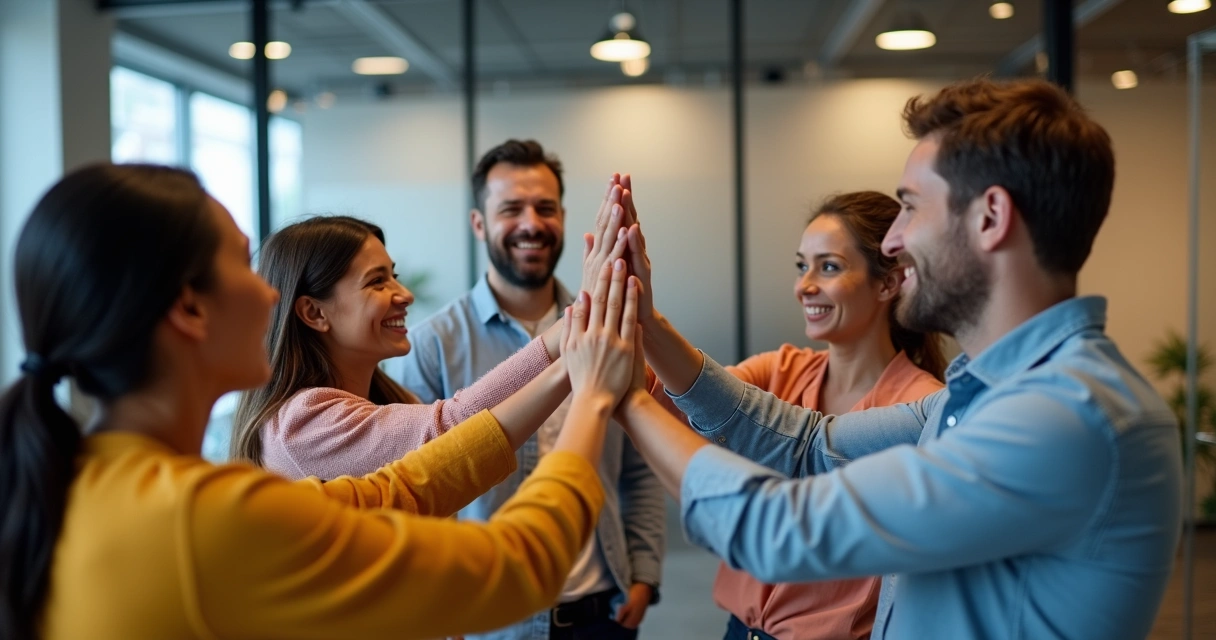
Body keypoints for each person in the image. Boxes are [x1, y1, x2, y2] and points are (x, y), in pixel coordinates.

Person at [607, 78, 1182, 639]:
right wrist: (648, 324)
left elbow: (779, 530)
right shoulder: (976, 395)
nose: (892, 241)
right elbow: (808, 445)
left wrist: (628, 399)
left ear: (990, 217)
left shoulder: (1063, 416)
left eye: (911, 208)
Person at [0, 163, 640, 640]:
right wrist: (587, 393)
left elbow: (402, 488)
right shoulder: (208, 517)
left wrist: (570, 359)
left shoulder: (83, 484)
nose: (270, 296)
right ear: (190, 308)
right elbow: (515, 567)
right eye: (244, 266)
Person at [391, 140, 664, 639]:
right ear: (479, 223)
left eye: (545, 208)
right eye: (511, 209)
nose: (531, 224)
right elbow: (416, 490)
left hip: (601, 610)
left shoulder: (612, 328)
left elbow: (638, 464)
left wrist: (644, 572)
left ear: (563, 217)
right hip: (489, 616)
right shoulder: (432, 345)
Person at [689, 191, 945, 640]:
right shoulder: (779, 370)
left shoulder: (924, 409)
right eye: (801, 266)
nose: (804, 285)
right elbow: (689, 399)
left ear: (887, 283)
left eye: (828, 267)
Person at [229, 215, 589, 480]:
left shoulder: (394, 399)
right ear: (314, 312)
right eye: (377, 282)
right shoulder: (301, 422)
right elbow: (454, 435)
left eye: (394, 276)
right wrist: (571, 330)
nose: (405, 295)